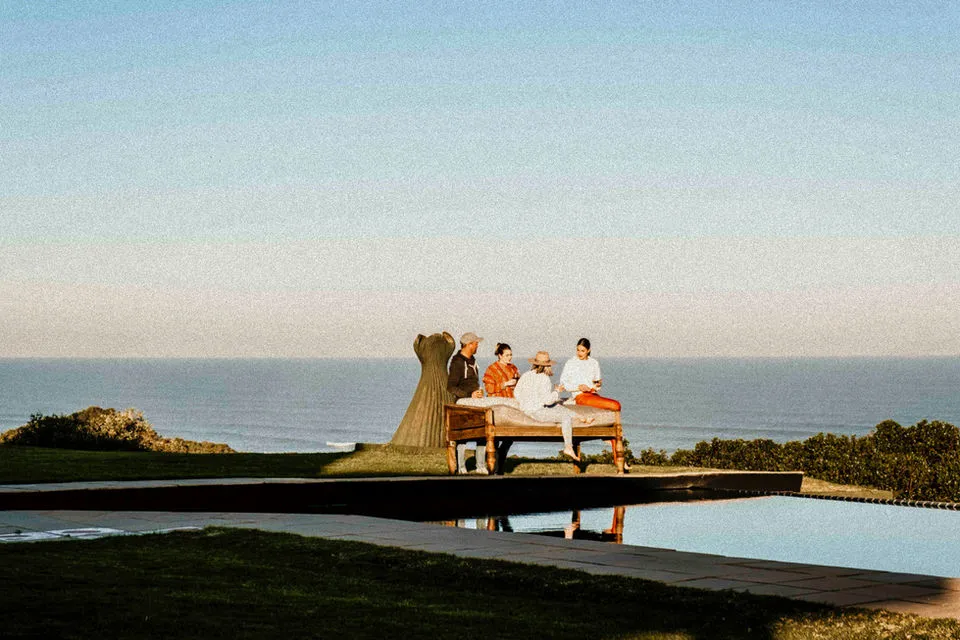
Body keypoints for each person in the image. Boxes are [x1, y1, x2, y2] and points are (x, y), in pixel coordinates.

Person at [514, 350, 592, 461]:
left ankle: (582, 418)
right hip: (537, 412)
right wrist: (557, 391)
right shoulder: (544, 379)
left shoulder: (526, 375)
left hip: (527, 409)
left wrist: (526, 402)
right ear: (547, 366)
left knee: (559, 406)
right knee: (566, 417)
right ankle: (568, 447)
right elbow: (547, 401)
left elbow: (516, 393)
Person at [448, 331, 488, 473]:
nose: (477, 346)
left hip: (476, 402)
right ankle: (461, 467)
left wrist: (477, 393)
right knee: (462, 435)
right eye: (476, 343)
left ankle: (481, 465)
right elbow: (451, 386)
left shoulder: (473, 360)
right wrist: (468, 395)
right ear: (469, 344)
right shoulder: (457, 362)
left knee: (483, 432)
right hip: (463, 403)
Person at [559, 337, 621, 412]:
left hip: (592, 394)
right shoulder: (571, 363)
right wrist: (579, 387)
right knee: (615, 405)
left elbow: (597, 383)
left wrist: (596, 385)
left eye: (582, 351)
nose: (579, 353)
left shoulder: (594, 363)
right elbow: (563, 383)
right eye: (578, 350)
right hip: (580, 396)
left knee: (616, 404)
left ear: (588, 351)